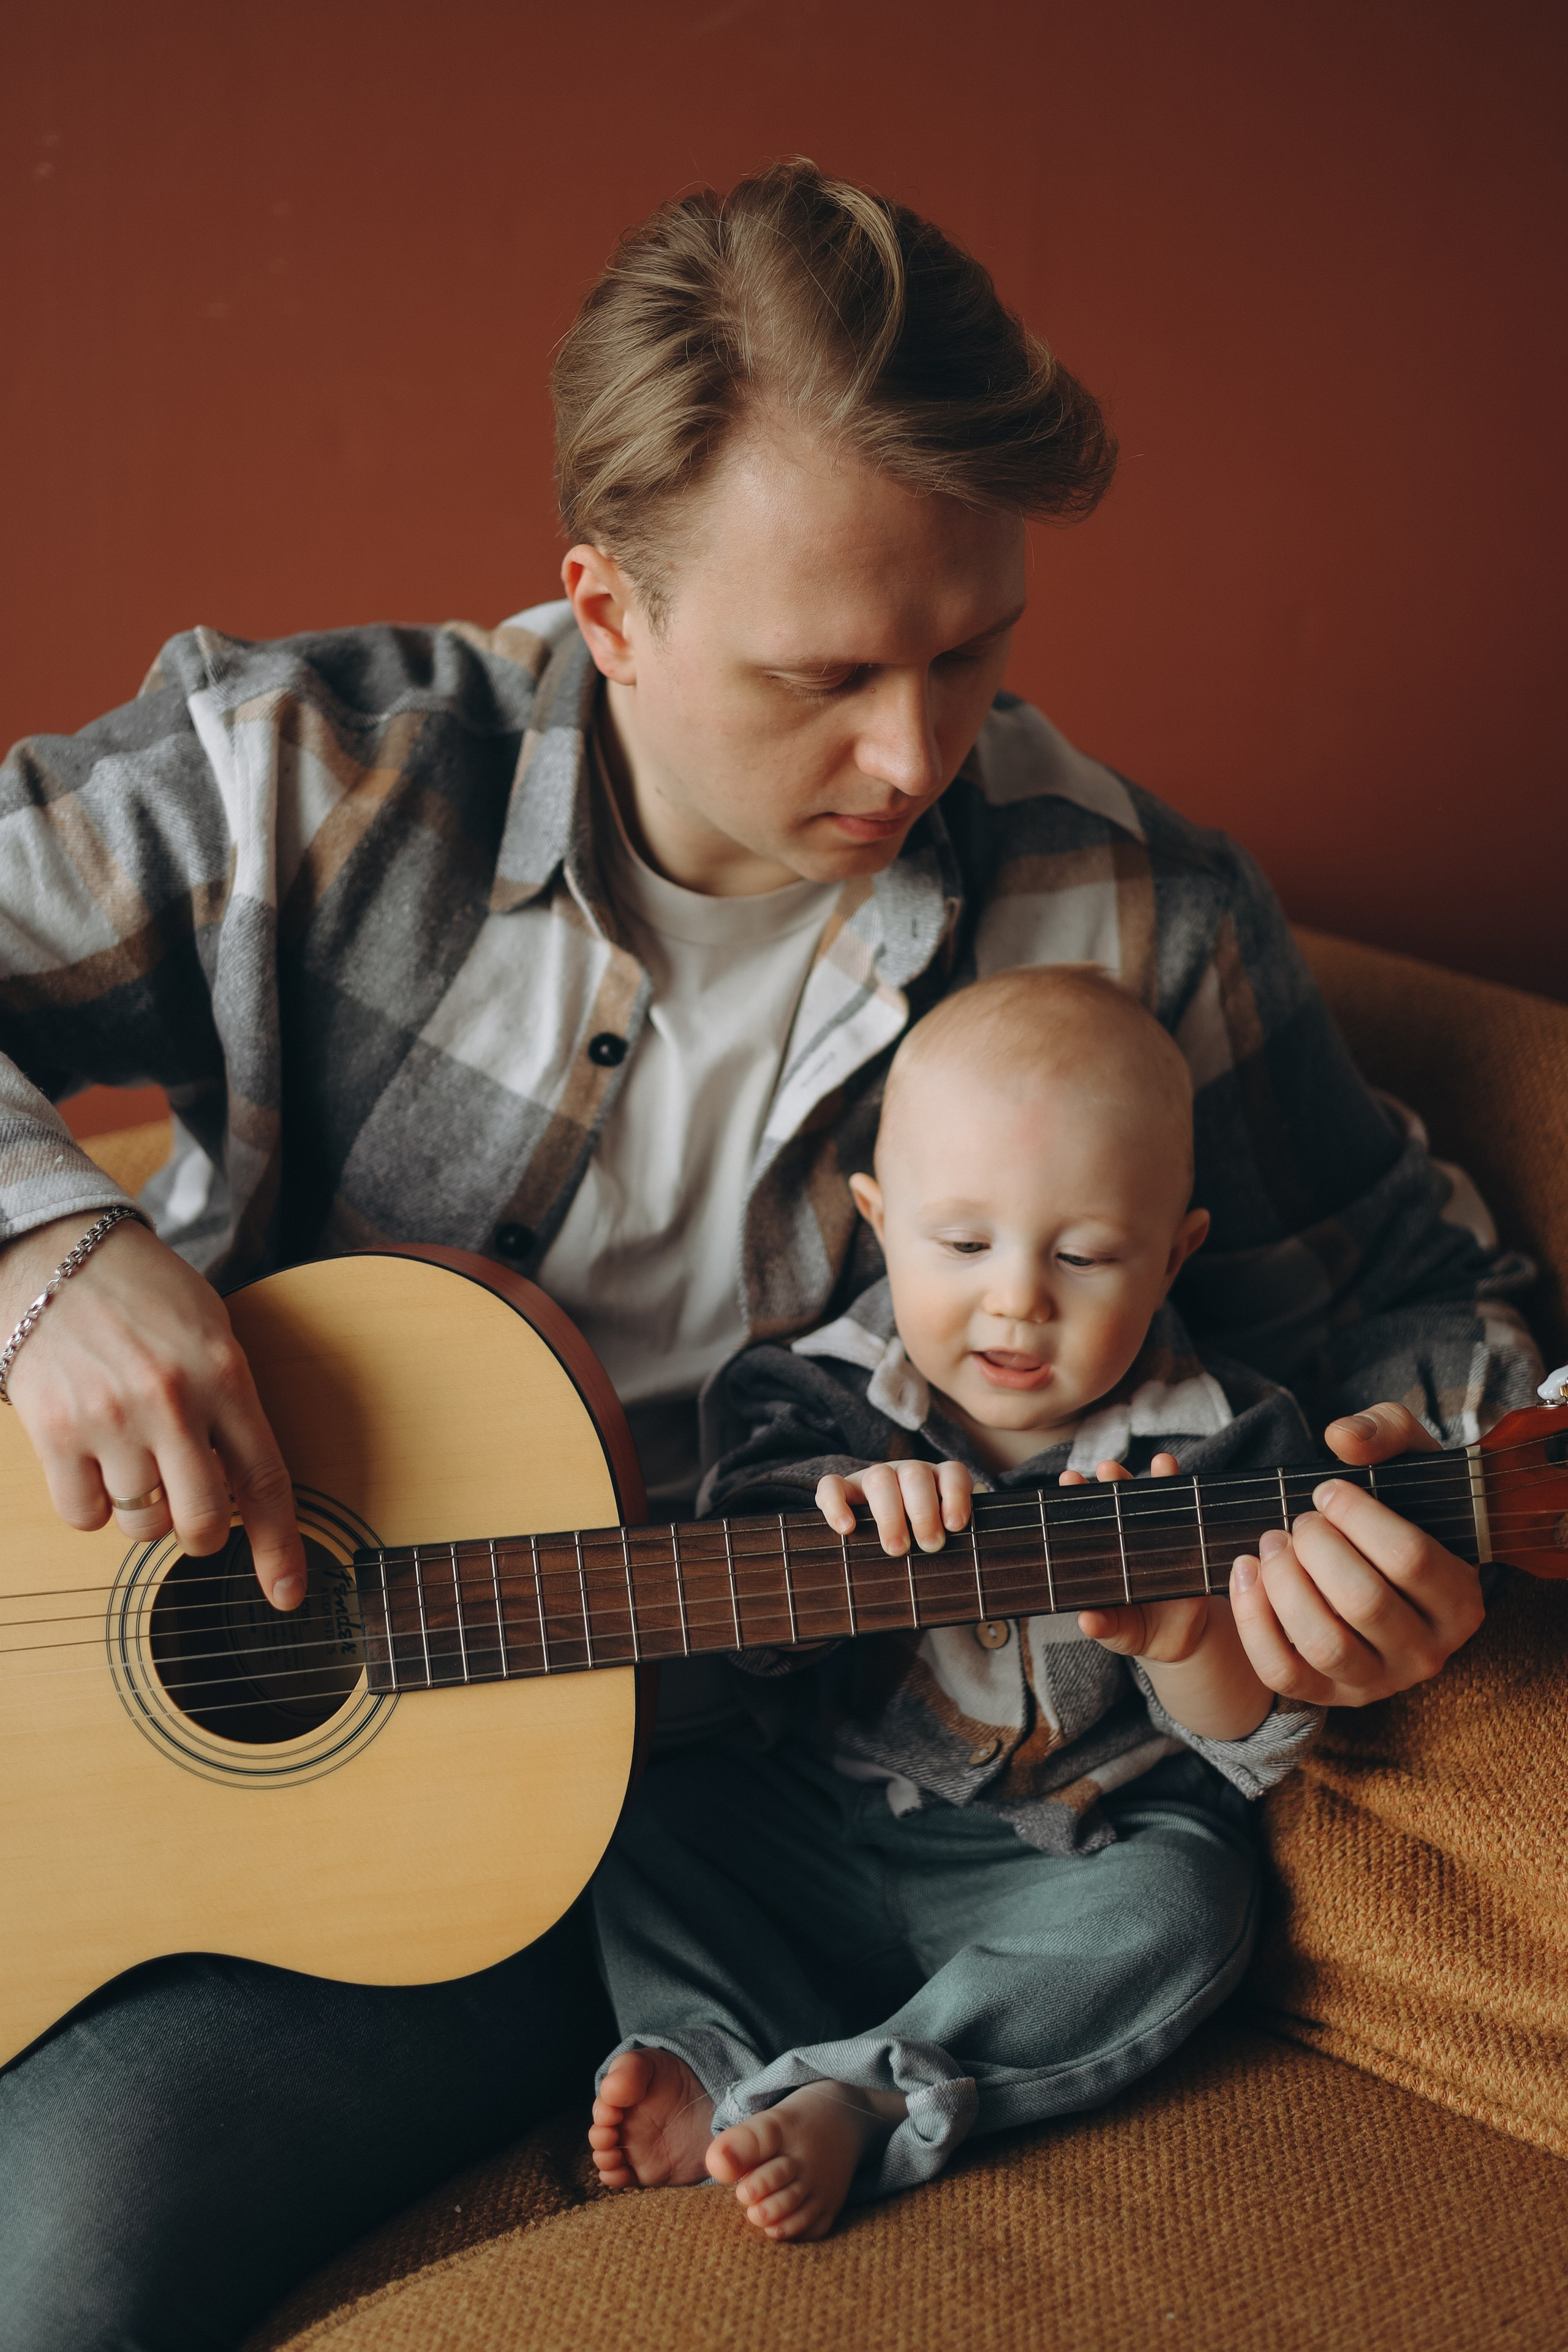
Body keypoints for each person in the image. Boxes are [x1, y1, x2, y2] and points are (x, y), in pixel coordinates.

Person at [0, 160, 1539, 2348]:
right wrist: (47, 1252)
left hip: (755, 1828)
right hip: (259, 1710)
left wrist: (1406, 1509)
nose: (916, 754)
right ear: (604, 607)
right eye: (824, 673)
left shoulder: (1136, 924)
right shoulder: (305, 776)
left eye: (974, 646)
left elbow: (1429, 1312)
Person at [587, 965, 1329, 2240]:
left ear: (1172, 1255)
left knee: (1191, 1907)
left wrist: (1185, 1634)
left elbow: (1251, 1745)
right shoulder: (810, 1396)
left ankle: (871, 2092)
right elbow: (748, 1644)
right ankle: (716, 2050)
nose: (1015, 1299)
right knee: (638, 1810)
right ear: (878, 1222)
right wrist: (843, 1513)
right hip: (821, 1822)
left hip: (1060, 1862)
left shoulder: (1219, 1445)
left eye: (1085, 1254)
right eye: (962, 1243)